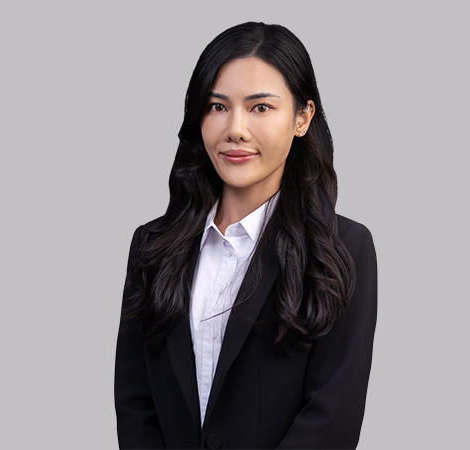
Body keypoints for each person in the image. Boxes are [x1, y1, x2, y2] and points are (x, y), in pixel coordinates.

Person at [115, 22, 377, 449]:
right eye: (218, 106)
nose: (235, 129)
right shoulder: (153, 246)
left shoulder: (343, 248)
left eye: (260, 108)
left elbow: (332, 417)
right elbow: (135, 404)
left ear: (302, 117)